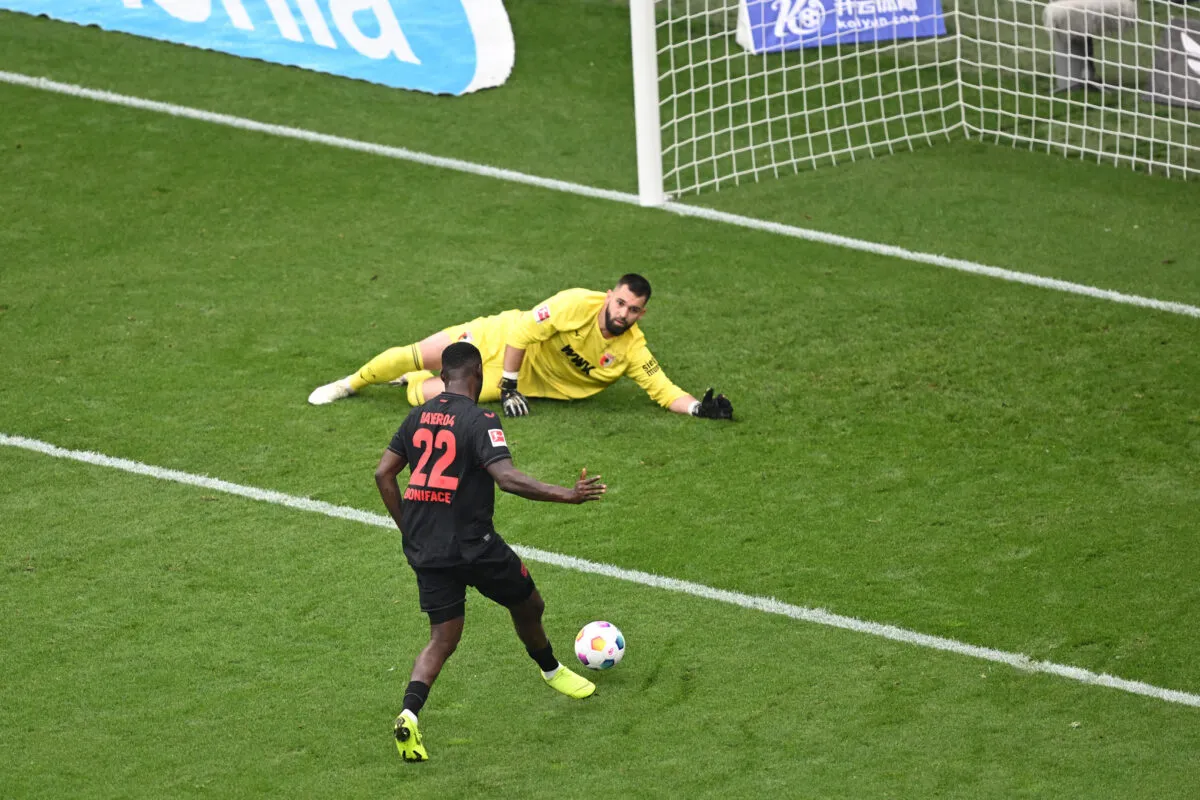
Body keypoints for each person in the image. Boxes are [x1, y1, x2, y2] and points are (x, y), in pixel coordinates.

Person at [375, 340, 607, 763]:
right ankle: (551, 669)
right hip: (475, 547)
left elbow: (383, 473)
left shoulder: (415, 416)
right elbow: (507, 478)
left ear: (441, 377)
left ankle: (410, 712)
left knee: (442, 638)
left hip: (427, 549)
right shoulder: (481, 419)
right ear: (478, 375)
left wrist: (408, 527)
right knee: (529, 602)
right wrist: (568, 495)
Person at [309, 274, 734, 420]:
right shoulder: (575, 304)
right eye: (620, 302)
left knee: (425, 399)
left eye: (633, 310)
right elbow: (523, 334)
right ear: (609, 296)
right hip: (502, 338)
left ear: (641, 315)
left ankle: (409, 382)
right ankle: (348, 384)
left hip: (520, 378)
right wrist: (510, 386)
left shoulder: (632, 351)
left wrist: (698, 408)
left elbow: (662, 389)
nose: (622, 313)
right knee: (419, 352)